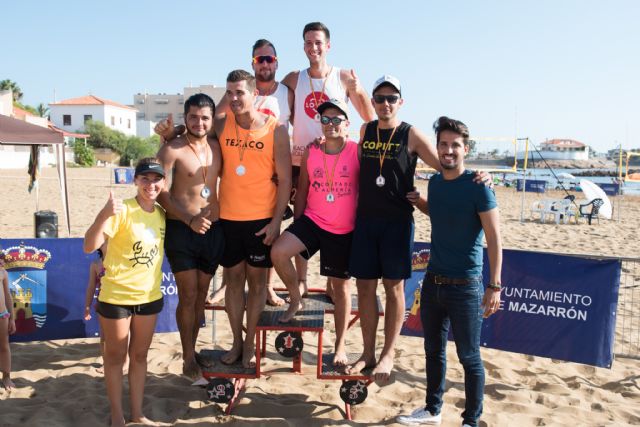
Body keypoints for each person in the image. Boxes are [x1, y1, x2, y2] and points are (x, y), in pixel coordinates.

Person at [345, 76, 490, 382]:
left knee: (394, 289)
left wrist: (481, 176)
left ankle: (388, 354)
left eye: (391, 98)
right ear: (373, 102)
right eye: (380, 98)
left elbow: (448, 165)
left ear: (401, 102)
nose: (385, 103)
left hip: (396, 222)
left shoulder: (411, 134)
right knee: (365, 288)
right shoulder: (365, 130)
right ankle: (368, 352)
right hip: (366, 221)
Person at [397, 116, 502, 427]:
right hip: (433, 283)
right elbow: (439, 211)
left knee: (469, 357)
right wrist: (420, 201)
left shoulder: (479, 186)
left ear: (465, 149)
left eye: (455, 145)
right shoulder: (436, 183)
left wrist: (494, 285)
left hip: (466, 286)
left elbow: (494, 238)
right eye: (443, 144)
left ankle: (471, 420)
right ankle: (433, 410)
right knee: (433, 351)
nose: (448, 150)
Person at [281, 21, 375, 298]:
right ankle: (301, 279)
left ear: (328, 45)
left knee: (334, 218)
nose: (314, 47)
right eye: (308, 42)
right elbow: (278, 108)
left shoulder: (343, 77)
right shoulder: (293, 78)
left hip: (336, 159)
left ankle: (333, 283)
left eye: (318, 42)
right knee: (302, 220)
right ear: (303, 46)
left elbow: (368, 117)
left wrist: (358, 89)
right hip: (302, 159)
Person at [270, 99, 358, 366]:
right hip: (313, 220)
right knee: (278, 252)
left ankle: (340, 346)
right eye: (325, 119)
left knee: (341, 289)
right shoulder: (311, 151)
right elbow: (303, 191)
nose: (330, 124)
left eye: (336, 119)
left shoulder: (357, 151)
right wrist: (297, 224)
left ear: (347, 124)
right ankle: (295, 299)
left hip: (343, 229)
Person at [208, 38, 294, 307]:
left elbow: (301, 125)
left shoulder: (287, 93)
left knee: (260, 272)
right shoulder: (234, 97)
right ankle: (226, 288)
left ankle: (271, 289)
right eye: (260, 59)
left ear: (276, 63)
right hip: (233, 202)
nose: (265, 63)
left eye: (269, 59)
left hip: (267, 187)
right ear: (253, 63)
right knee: (234, 274)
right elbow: (205, 125)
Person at [216, 69, 291, 368]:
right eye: (229, 93)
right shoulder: (221, 124)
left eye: (240, 92)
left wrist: (276, 222)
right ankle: (237, 341)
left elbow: (285, 180)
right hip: (228, 218)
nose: (234, 98)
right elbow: (194, 130)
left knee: (258, 285)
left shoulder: (276, 129)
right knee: (234, 283)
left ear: (254, 94)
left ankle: (250, 345)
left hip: (261, 220)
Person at [83, 158, 167, 427]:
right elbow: (88, 246)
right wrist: (103, 214)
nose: (151, 184)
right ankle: (117, 415)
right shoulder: (121, 210)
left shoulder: (162, 214)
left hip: (149, 297)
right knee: (115, 357)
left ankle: (137, 414)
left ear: (163, 182)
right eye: (145, 179)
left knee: (140, 357)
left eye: (156, 179)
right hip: (116, 297)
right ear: (135, 181)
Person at [156, 93, 224, 380]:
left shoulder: (218, 146)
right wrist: (190, 219)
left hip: (213, 229)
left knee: (201, 296)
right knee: (188, 294)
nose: (199, 122)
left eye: (205, 117)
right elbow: (160, 192)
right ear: (186, 118)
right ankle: (187, 357)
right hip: (181, 229)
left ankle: (193, 350)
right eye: (193, 117)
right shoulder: (172, 149)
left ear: (212, 120)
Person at [83, 241, 109, 373]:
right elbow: (91, 287)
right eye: (105, 242)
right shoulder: (95, 264)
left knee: (124, 334)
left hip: (121, 301)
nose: (109, 244)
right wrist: (87, 307)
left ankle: (125, 362)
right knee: (104, 336)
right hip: (103, 302)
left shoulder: (121, 261)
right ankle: (106, 364)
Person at [0, 254, 16, 390]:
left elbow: (8, 296)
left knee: (4, 346)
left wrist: (12, 319)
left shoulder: (3, 273)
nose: (1, 259)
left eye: (1, 256)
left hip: (2, 315)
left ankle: (6, 377)